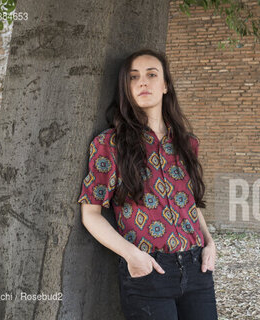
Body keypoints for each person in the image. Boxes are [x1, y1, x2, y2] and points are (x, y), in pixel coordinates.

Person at [77, 48, 218, 320]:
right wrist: (132, 256)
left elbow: (190, 203)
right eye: (134, 77)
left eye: (151, 74)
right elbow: (90, 215)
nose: (143, 82)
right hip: (149, 271)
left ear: (165, 85)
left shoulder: (187, 143)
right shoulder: (110, 144)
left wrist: (210, 243)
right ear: (126, 88)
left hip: (197, 267)